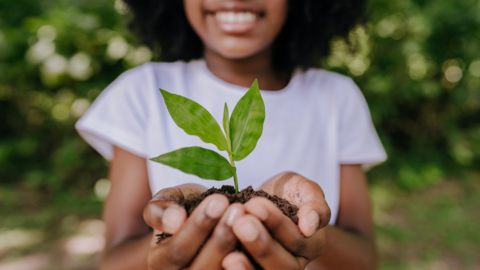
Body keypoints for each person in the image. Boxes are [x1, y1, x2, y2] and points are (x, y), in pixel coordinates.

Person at [76, 0, 387, 269]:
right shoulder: (141, 92)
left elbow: (364, 259)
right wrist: (180, 237)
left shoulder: (336, 96)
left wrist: (301, 229)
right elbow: (114, 261)